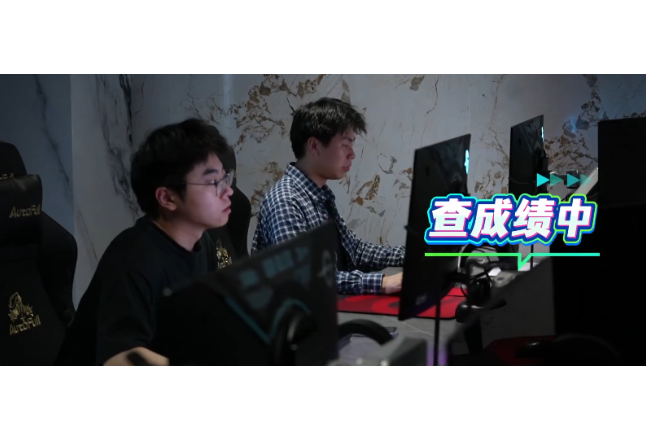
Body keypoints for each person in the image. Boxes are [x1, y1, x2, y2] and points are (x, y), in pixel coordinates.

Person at [55, 118, 234, 366]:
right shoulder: (133, 259)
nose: (228, 191)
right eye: (213, 182)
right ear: (167, 198)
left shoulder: (204, 243)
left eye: (226, 179)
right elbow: (119, 358)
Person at [251, 98, 405, 295]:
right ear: (314, 146)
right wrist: (383, 282)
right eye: (345, 145)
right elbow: (304, 277)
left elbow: (354, 251)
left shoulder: (319, 194)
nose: (352, 154)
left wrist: (415, 254)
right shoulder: (286, 201)